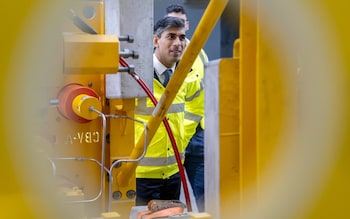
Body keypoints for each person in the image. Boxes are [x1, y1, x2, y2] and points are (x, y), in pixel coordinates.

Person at [134, 16, 202, 206]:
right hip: (141, 173)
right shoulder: (136, 75)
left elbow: (196, 109)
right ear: (156, 40)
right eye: (171, 36)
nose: (178, 43)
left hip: (173, 171)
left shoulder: (188, 75)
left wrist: (181, 138)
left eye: (182, 37)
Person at [166, 4, 208, 212]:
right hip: (169, 134)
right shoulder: (157, 55)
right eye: (169, 23)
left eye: (179, 23)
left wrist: (185, 136)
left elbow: (197, 102)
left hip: (195, 135)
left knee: (202, 194)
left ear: (188, 26)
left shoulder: (198, 55)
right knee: (168, 197)